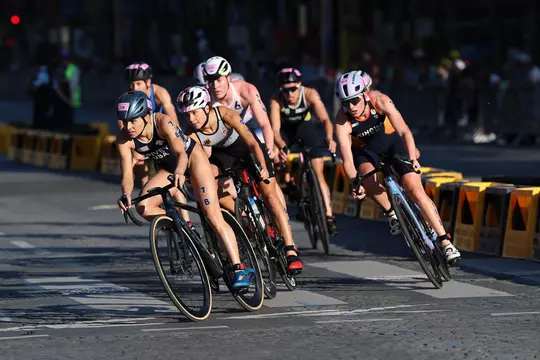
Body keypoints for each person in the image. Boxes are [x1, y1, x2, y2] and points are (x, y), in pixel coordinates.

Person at [115, 90, 255, 288]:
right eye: (124, 121)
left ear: (146, 116)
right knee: (144, 207)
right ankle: (183, 228)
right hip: (169, 169)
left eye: (133, 121)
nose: (128, 127)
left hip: (192, 161)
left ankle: (239, 267)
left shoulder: (162, 122)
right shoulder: (123, 138)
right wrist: (126, 194)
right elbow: (127, 175)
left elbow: (181, 152)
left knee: (212, 215)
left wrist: (181, 172)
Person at [334, 71, 461, 263]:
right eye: (346, 103)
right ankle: (391, 213)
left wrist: (413, 157)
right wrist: (354, 181)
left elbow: (404, 131)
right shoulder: (342, 121)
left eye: (355, 100)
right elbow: (347, 159)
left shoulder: (380, 100)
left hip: (392, 143)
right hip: (366, 152)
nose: (351, 107)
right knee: (366, 177)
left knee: (416, 191)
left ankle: (446, 242)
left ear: (364, 95)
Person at [177, 86, 303, 274]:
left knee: (270, 198)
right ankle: (246, 220)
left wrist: (261, 165)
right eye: (187, 115)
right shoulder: (191, 133)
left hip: (248, 150)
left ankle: (290, 249)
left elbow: (252, 141)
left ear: (206, 107)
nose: (191, 119)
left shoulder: (224, 115)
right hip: (224, 157)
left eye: (194, 113)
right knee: (216, 192)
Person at [203, 56, 289, 213]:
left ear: (228, 78)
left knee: (269, 180)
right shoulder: (206, 98)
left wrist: (268, 150)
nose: (214, 86)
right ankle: (245, 214)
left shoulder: (245, 90)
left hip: (249, 125)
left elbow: (264, 124)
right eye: (210, 81)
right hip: (227, 136)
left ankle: (282, 214)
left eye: (218, 80)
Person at [121, 62, 192, 226]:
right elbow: (125, 130)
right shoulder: (128, 101)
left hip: (162, 137)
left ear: (148, 83)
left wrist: (176, 138)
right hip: (143, 141)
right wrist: (135, 156)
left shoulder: (160, 93)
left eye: (138, 83)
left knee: (173, 174)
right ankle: (154, 206)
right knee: (143, 175)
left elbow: (172, 118)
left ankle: (186, 220)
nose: (134, 87)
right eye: (131, 84)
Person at [269, 68, 338, 235]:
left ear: (300, 85)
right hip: (286, 133)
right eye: (285, 90)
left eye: (293, 89)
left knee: (318, 172)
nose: (290, 94)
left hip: (305, 130)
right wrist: (282, 146)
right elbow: (275, 131)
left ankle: (328, 215)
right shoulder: (276, 101)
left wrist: (329, 138)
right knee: (276, 153)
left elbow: (325, 120)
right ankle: (289, 181)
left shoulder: (310, 94)